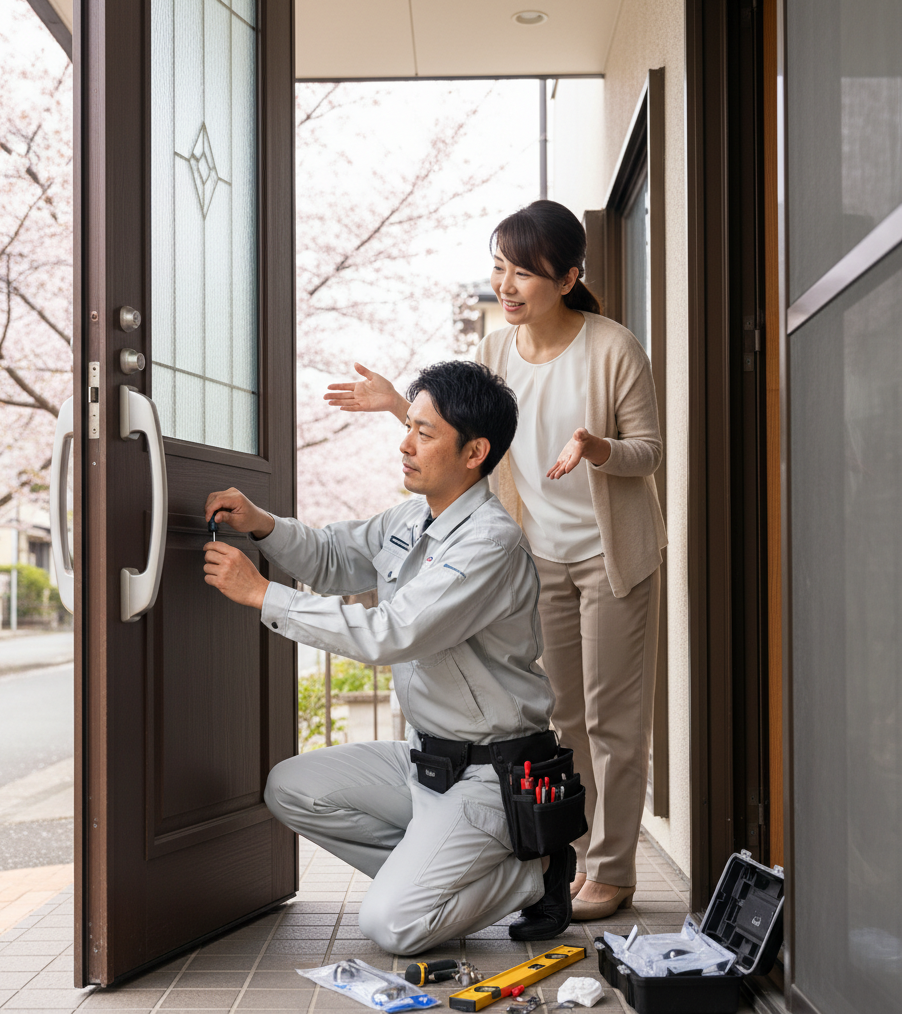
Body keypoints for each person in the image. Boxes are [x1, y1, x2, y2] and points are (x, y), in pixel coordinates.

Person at [324, 200, 667, 921]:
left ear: (569, 276)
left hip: (611, 559)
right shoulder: (495, 350)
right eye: (499, 269)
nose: (507, 286)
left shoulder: (613, 348)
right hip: (537, 560)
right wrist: (397, 404)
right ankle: (562, 860)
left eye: (524, 273)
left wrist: (597, 449)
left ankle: (613, 871)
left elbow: (650, 451)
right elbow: (461, 436)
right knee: (562, 720)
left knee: (616, 723)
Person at [200, 360, 584, 954]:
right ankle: (435, 873)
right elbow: (333, 556)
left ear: (475, 451)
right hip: (423, 762)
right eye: (409, 425)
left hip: (490, 776)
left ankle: (535, 875)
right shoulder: (412, 516)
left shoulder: (490, 543)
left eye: (424, 433)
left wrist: (262, 594)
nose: (404, 443)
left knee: (392, 927)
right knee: (290, 788)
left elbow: (394, 632)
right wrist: (263, 525)